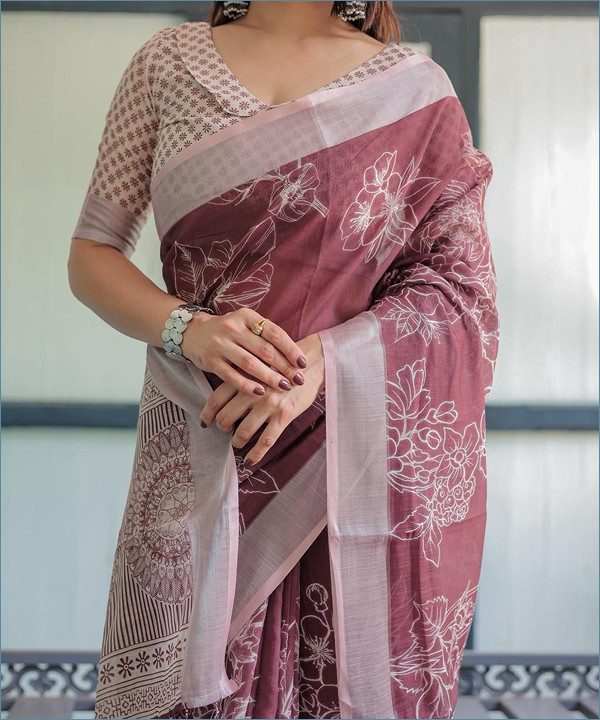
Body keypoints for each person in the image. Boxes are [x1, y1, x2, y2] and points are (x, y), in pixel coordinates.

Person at [67, 2, 500, 718]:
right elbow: (92, 253)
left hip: (345, 463)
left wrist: (320, 365)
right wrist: (188, 329)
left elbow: (458, 290)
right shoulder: (166, 66)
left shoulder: (412, 91)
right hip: (199, 441)